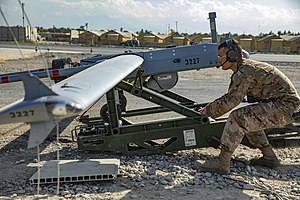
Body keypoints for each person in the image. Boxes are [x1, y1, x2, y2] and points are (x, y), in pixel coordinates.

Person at [196, 39, 300, 174]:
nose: (219, 60)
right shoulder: (244, 68)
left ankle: (222, 163)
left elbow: (231, 101)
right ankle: (270, 158)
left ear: (233, 56)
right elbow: (232, 95)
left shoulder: (244, 72)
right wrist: (210, 108)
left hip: (286, 107)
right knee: (250, 118)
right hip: (284, 105)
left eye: (221, 56)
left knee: (239, 118)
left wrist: (208, 111)